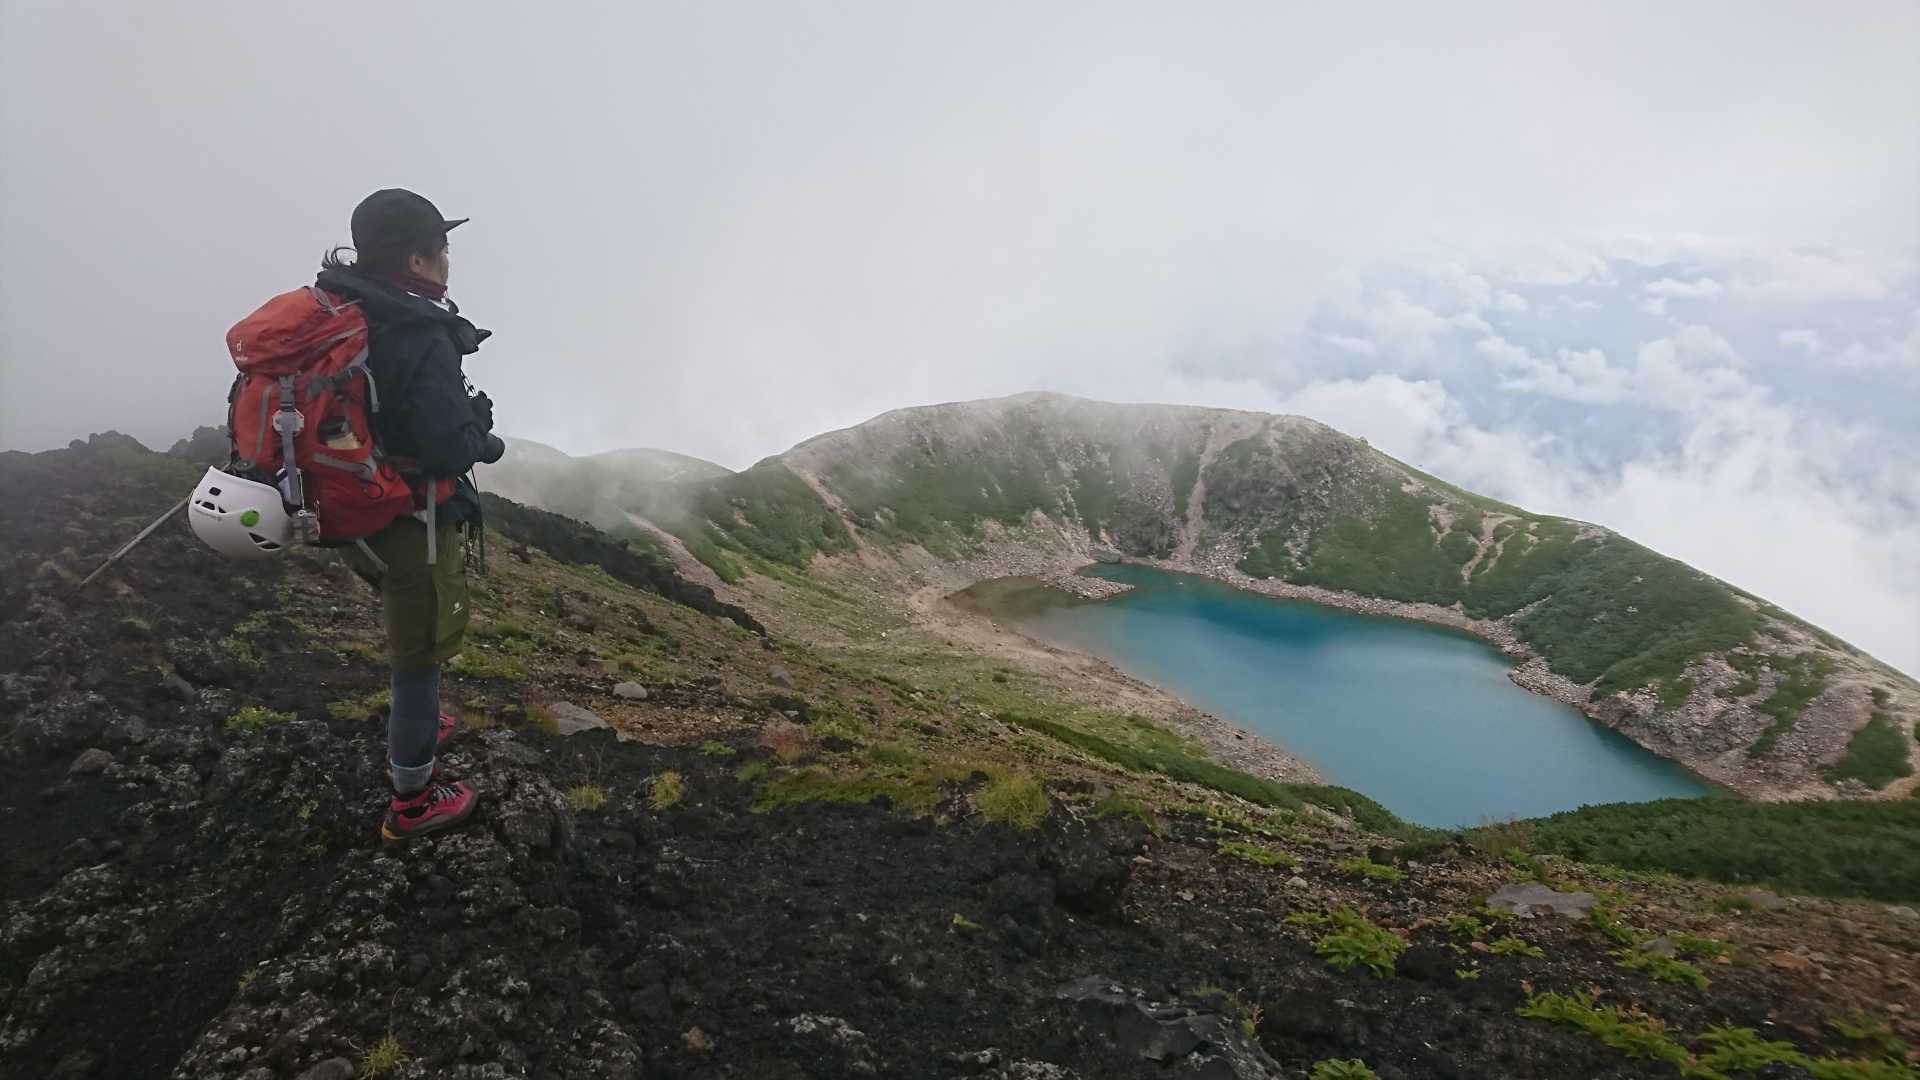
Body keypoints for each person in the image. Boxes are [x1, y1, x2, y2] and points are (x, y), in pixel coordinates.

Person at [318, 188, 506, 840]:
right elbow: (447, 446)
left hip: (354, 505)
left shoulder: (345, 306)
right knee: (420, 650)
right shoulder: (418, 331)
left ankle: (418, 723)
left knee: (405, 626)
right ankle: (413, 798)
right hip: (411, 517)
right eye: (441, 247)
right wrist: (478, 428)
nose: (448, 259)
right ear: (416, 259)